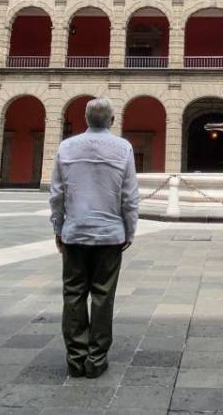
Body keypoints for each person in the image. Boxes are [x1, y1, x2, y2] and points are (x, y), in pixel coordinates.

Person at [49, 97, 139, 379]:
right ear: (112, 120)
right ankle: (96, 359)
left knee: (73, 295)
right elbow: (130, 196)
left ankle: (75, 360)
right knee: (103, 297)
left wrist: (58, 228)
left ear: (86, 119)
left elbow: (57, 195)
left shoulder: (66, 147)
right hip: (110, 235)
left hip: (75, 233)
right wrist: (130, 229)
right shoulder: (123, 148)